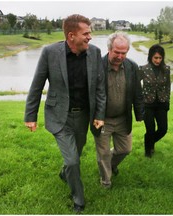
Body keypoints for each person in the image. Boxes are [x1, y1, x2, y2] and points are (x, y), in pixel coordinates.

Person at [24, 14, 106, 213]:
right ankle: (79, 199)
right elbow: (37, 85)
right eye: (86, 33)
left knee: (75, 155)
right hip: (60, 115)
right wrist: (30, 115)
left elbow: (100, 87)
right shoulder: (50, 53)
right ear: (71, 35)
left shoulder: (94, 53)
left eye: (90, 33)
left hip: (84, 116)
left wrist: (99, 114)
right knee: (72, 160)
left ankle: (65, 173)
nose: (90, 37)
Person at [93, 31, 144, 188]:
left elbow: (138, 93)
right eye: (117, 52)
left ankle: (111, 165)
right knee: (103, 153)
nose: (120, 56)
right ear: (109, 49)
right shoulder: (97, 66)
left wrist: (140, 114)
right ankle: (105, 182)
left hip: (123, 118)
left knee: (125, 149)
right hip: (102, 119)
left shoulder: (132, 67)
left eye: (124, 52)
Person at [139, 44, 171, 158]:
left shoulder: (166, 69)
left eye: (160, 58)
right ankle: (148, 151)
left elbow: (168, 86)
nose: (158, 60)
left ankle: (149, 141)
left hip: (162, 103)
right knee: (150, 129)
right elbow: (136, 86)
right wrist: (139, 102)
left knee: (163, 129)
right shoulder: (143, 69)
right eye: (155, 58)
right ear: (150, 57)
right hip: (147, 104)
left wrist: (167, 102)